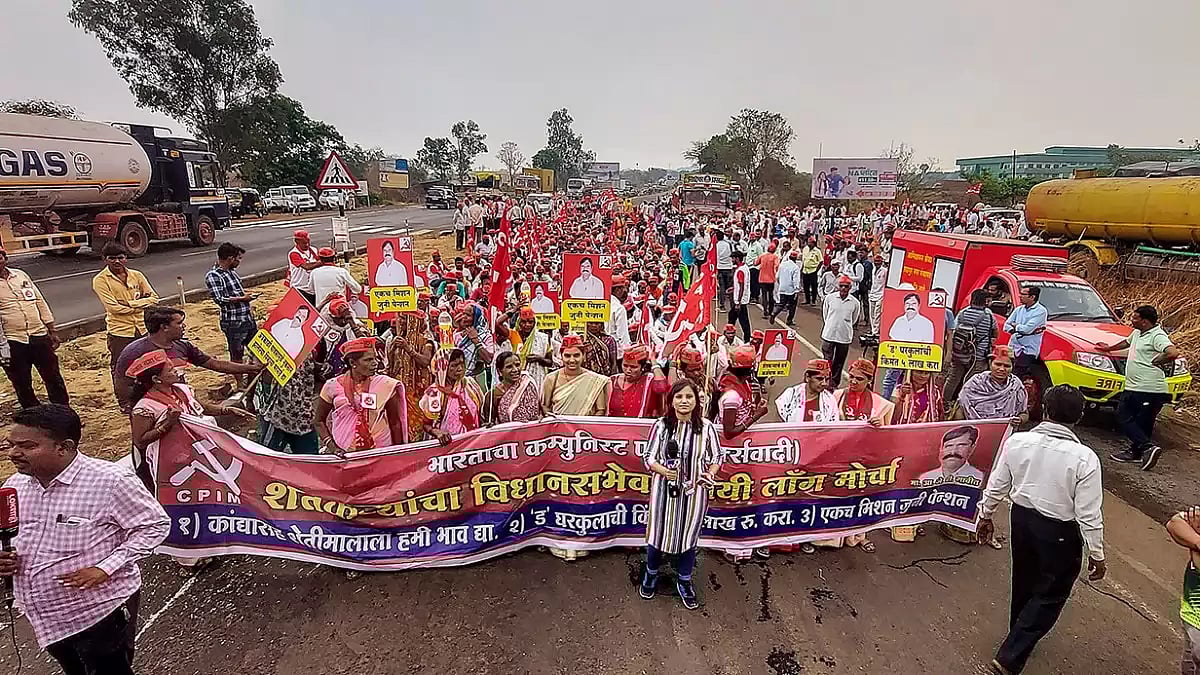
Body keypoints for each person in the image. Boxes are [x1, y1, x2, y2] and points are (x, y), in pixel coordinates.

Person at [0, 403, 169, 673]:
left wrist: (105, 568)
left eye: (27, 446)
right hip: (47, 619)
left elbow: (153, 526)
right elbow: (11, 536)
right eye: (10, 445)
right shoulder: (13, 487)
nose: (14, 454)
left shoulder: (111, 481)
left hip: (98, 612)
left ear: (64, 447)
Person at [977, 385, 1105, 675]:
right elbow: (1088, 513)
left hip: (1021, 520)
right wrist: (1097, 553)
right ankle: (1010, 657)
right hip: (1060, 532)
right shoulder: (1085, 458)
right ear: (1080, 417)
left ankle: (1017, 634)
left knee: (1024, 579)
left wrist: (985, 515)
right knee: (1050, 593)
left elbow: (997, 484)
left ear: (1045, 411)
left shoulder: (1018, 442)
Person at [639, 380, 723, 610]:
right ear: (671, 401)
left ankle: (684, 581)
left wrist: (709, 474)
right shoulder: (661, 426)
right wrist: (665, 471)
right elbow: (648, 457)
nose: (684, 401)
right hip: (663, 491)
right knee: (658, 533)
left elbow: (717, 457)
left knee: (688, 537)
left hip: (695, 493)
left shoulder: (706, 428)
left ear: (697, 401)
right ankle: (651, 574)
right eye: (679, 397)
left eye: (689, 397)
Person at [127, 348, 253, 488]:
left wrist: (225, 410)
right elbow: (140, 441)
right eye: (170, 370)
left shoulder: (182, 389)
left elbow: (198, 405)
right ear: (156, 379)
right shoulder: (145, 408)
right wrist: (167, 424)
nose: (176, 371)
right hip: (165, 466)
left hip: (190, 455)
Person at [114, 305, 260, 412]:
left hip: (181, 407)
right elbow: (122, 386)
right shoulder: (134, 352)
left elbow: (215, 364)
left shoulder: (183, 345)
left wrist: (252, 368)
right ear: (164, 327)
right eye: (178, 323)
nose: (183, 327)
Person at [1098, 304, 1181, 470]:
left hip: (1148, 388)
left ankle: (1146, 448)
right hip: (1136, 386)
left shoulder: (1157, 335)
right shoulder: (1137, 332)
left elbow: (1173, 352)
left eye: (1135, 317)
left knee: (1123, 416)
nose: (1131, 320)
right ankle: (1137, 453)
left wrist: (1159, 360)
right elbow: (1126, 343)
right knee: (1142, 422)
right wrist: (1108, 348)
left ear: (1145, 321)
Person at [0, 247, 67, 408]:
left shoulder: (20, 275)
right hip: (13, 341)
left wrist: (52, 330)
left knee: (53, 378)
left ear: (5, 258)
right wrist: (2, 347)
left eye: (0, 256)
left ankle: (64, 414)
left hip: (39, 335)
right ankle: (35, 420)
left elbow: (39, 301)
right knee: (22, 383)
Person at [315, 337, 408, 453]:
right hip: (345, 455)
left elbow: (395, 423)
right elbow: (318, 421)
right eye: (368, 360)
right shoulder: (332, 386)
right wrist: (333, 448)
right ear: (353, 363)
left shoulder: (386, 385)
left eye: (375, 359)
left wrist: (397, 455)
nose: (375, 363)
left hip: (380, 452)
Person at [91, 243, 160, 392]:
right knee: (121, 367)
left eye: (120, 257)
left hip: (142, 327)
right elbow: (114, 308)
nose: (116, 261)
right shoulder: (100, 280)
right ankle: (123, 399)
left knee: (149, 362)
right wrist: (142, 303)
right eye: (112, 258)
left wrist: (129, 303)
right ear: (104, 259)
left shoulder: (137, 275)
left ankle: (147, 393)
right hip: (120, 331)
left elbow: (154, 299)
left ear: (126, 258)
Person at [204, 242, 258, 369]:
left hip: (247, 318)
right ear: (230, 258)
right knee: (236, 354)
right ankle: (239, 382)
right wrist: (243, 298)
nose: (239, 262)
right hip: (233, 322)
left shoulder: (231, 272)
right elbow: (220, 299)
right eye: (238, 259)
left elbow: (236, 292)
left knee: (257, 349)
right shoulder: (214, 276)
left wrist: (246, 299)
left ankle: (252, 375)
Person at [944, 289, 998, 410]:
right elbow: (995, 332)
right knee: (971, 382)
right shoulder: (988, 315)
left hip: (959, 353)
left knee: (953, 378)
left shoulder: (962, 313)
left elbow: (955, 330)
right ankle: (962, 406)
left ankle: (944, 402)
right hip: (978, 356)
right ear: (985, 301)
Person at [387, 310, 436, 442]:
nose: (401, 322)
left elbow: (425, 362)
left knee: (417, 428)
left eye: (404, 318)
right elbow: (391, 368)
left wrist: (408, 349)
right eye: (400, 318)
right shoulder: (396, 340)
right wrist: (392, 351)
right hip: (399, 392)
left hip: (417, 394)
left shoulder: (426, 341)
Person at [1166, 506, 1200, 675]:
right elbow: (1175, 523)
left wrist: (1194, 545)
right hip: (1192, 616)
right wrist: (1198, 541)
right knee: (1188, 666)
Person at [957, 345, 1028, 423]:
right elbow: (961, 408)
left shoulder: (1016, 386)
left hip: (1005, 432)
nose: (1001, 369)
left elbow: (1024, 413)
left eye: (1007, 366)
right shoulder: (975, 383)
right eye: (998, 364)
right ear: (990, 364)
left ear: (1012, 367)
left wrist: (1020, 420)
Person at [542, 334, 609, 417]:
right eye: (567, 356)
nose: (572, 360)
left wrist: (583, 425)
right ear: (561, 357)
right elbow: (545, 406)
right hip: (559, 428)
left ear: (583, 356)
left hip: (585, 428)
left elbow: (600, 410)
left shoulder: (595, 380)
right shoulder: (551, 378)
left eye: (576, 355)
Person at [820, 275, 861, 389]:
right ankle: (825, 380)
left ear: (850, 288)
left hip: (844, 336)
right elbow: (825, 314)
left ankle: (834, 384)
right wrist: (831, 324)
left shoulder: (855, 302)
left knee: (839, 362)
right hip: (829, 334)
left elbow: (854, 318)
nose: (843, 288)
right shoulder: (830, 298)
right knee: (827, 361)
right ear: (838, 287)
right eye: (841, 286)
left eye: (846, 286)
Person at [481, 351, 543, 425]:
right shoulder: (493, 395)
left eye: (517, 365)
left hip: (533, 431)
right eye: (509, 367)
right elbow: (489, 423)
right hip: (507, 434)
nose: (515, 370)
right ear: (499, 371)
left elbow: (540, 409)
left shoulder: (528, 384)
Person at [608, 344, 669, 418]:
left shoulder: (648, 380)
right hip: (613, 427)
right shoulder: (613, 380)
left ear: (642, 367)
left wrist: (652, 359)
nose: (628, 370)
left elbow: (661, 387)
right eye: (625, 365)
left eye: (633, 367)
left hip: (640, 427)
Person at [913, 426, 984, 487]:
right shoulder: (925, 478)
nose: (953, 452)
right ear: (941, 449)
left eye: (961, 445)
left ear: (972, 447)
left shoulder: (981, 478)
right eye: (949, 446)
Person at [1003, 285, 1047, 381]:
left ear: (1032, 297)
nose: (1020, 296)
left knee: (1017, 375)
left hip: (1028, 349)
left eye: (1023, 294)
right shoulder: (1019, 309)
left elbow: (1027, 329)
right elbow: (1006, 326)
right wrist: (1015, 329)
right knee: (1006, 371)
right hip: (1013, 347)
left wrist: (1016, 326)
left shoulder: (1041, 311)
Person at [775, 359, 839, 424]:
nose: (824, 383)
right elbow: (779, 424)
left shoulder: (830, 400)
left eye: (827, 379)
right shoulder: (790, 396)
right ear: (807, 377)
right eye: (819, 379)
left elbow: (832, 427)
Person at [835, 359, 894, 425]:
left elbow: (886, 431)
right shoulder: (837, 395)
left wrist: (879, 426)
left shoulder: (881, 404)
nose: (853, 381)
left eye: (859, 379)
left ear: (870, 380)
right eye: (851, 377)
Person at [287, 230, 321, 305]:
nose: (307, 245)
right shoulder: (294, 253)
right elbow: (306, 266)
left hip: (313, 288)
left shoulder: (314, 250)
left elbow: (320, 262)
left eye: (308, 242)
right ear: (296, 241)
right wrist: (323, 261)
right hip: (300, 288)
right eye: (304, 243)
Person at [771, 250, 802, 325]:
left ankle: (774, 313)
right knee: (792, 305)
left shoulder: (782, 265)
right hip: (791, 290)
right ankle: (789, 320)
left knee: (781, 304)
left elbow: (777, 276)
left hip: (782, 288)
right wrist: (797, 290)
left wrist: (780, 284)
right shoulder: (795, 267)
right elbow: (796, 280)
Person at [727, 250, 752, 341]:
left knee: (744, 322)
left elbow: (741, 286)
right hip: (741, 299)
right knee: (732, 317)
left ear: (737, 259)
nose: (732, 260)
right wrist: (733, 289)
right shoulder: (744, 268)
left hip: (739, 301)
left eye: (733, 258)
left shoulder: (740, 270)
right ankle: (730, 333)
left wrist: (738, 302)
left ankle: (747, 340)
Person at [756, 243, 779, 318]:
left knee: (764, 295)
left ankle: (765, 310)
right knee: (771, 295)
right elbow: (777, 266)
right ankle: (770, 310)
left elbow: (755, 263)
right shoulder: (775, 257)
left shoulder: (762, 256)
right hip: (771, 279)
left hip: (762, 278)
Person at [801, 238, 822, 306]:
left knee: (814, 286)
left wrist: (816, 270)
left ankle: (813, 300)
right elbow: (803, 259)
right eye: (808, 242)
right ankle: (807, 300)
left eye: (811, 243)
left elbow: (821, 261)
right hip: (805, 270)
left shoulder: (817, 251)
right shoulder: (805, 249)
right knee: (805, 286)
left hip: (813, 270)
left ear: (814, 243)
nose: (809, 244)